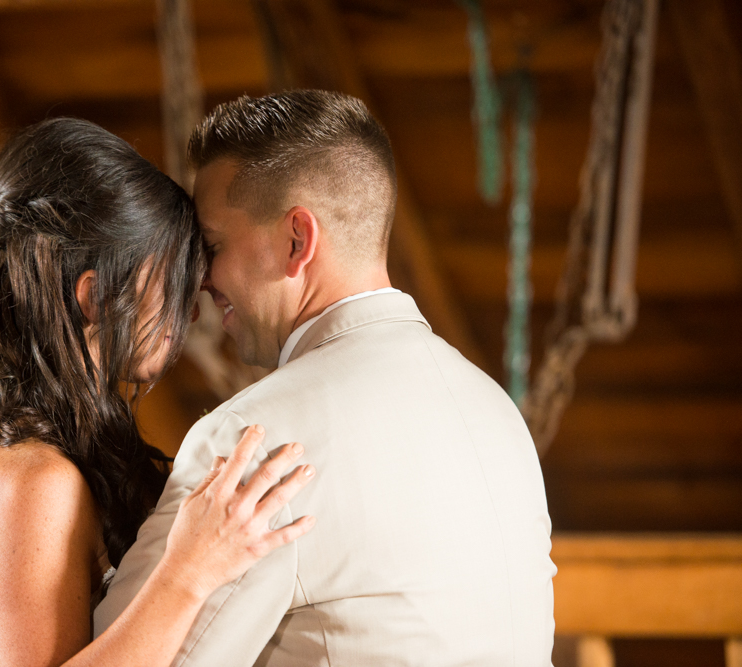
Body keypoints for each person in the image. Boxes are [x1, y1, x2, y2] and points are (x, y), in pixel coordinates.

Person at [95, 90, 557, 666]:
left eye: (211, 246)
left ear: (297, 240)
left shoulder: (254, 442)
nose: (202, 280)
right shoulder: (498, 414)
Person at [0, 117, 316, 667]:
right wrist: (189, 572)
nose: (192, 307)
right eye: (171, 280)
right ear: (96, 295)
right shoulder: (28, 478)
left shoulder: (63, 458)